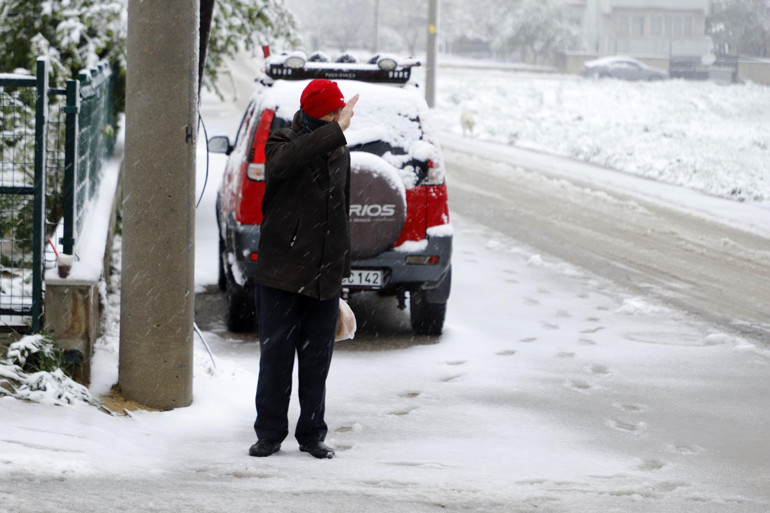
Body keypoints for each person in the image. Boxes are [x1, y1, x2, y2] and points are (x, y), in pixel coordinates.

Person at [248, 79, 359, 459]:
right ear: (313, 112)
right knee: (276, 359)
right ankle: (269, 434)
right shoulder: (282, 141)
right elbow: (284, 164)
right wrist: (334, 132)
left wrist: (341, 271)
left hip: (322, 276)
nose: (338, 120)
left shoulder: (338, 152)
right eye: (332, 113)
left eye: (340, 114)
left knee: (316, 364)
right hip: (281, 273)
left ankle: (312, 435)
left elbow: (340, 212)